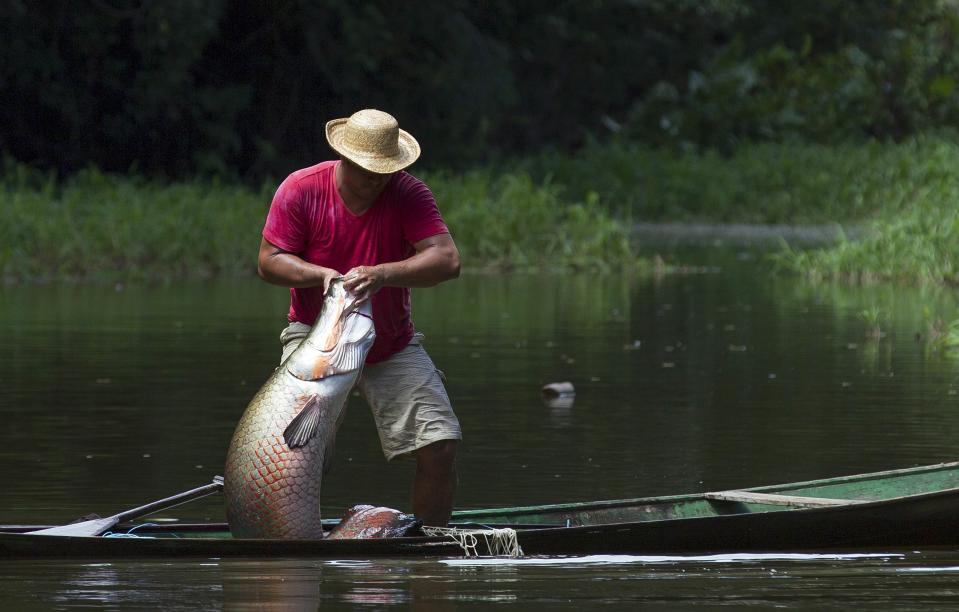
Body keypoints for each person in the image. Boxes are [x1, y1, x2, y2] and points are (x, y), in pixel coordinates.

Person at [256, 108, 461, 527]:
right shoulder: (301, 188)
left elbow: (447, 259)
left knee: (439, 445)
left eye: (386, 171)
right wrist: (321, 276)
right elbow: (269, 261)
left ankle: (432, 547)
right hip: (315, 339)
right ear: (345, 160)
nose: (378, 179)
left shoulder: (408, 193)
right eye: (368, 171)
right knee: (288, 452)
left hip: (390, 342)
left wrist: (383, 272)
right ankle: (284, 538)